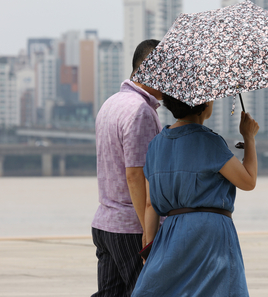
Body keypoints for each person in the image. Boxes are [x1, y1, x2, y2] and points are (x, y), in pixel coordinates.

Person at [131, 93, 259, 297]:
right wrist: (249, 138)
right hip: (211, 233)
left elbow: (150, 204)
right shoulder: (210, 141)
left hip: (172, 233)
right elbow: (248, 181)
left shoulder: (156, 145)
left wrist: (150, 247)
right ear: (205, 103)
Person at [91, 39, 163, 297]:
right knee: (144, 292)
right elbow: (135, 175)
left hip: (105, 222)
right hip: (130, 227)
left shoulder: (111, 103)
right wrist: (148, 230)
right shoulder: (140, 111)